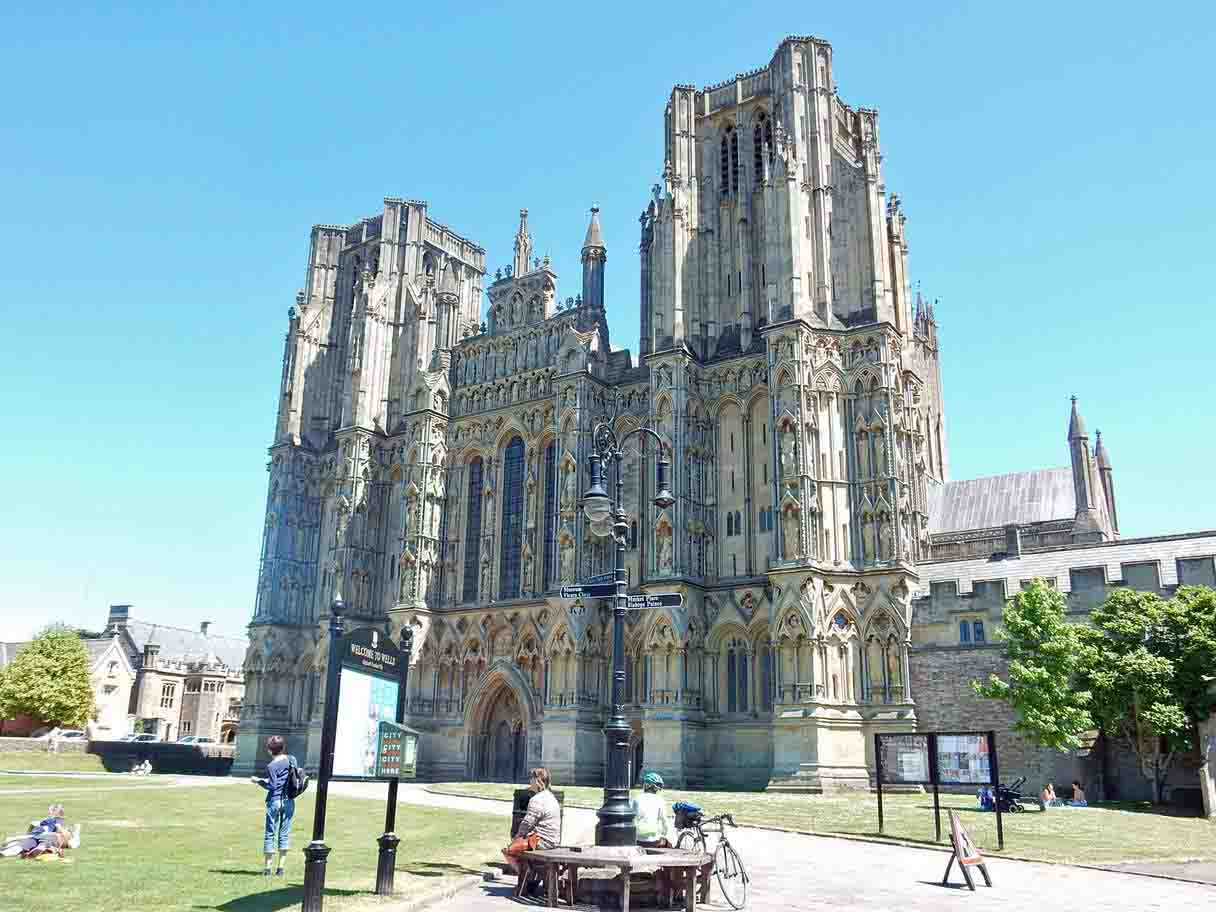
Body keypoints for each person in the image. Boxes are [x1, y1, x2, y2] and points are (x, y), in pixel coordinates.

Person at [502, 767, 561, 879]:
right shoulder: (551, 797)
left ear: (537, 780)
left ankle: (527, 876)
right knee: (518, 846)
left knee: (508, 851)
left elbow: (527, 823)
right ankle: (531, 874)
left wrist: (517, 837)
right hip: (553, 841)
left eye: (531, 778)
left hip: (542, 842)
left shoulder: (537, 799)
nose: (530, 781)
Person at [250, 735, 295, 877]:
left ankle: (268, 868)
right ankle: (280, 868)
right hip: (288, 800)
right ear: (283, 748)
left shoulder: (271, 766)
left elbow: (272, 786)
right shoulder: (291, 760)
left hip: (274, 801)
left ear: (270, 750)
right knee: (284, 832)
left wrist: (258, 781)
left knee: (270, 832)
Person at [631, 770, 673, 848]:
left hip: (637, 840)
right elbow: (664, 822)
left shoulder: (636, 799)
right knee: (668, 845)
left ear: (646, 785)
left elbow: (631, 819)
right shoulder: (660, 800)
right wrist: (664, 835)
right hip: (654, 841)